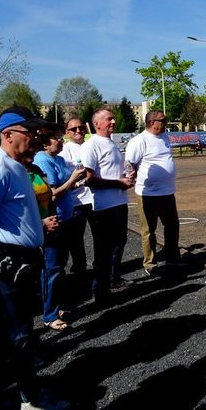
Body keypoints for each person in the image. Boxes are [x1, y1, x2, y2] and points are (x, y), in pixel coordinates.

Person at [0, 106, 69, 410]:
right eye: (30, 132)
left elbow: (13, 217)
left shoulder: (18, 166)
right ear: (8, 135)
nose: (36, 137)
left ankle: (23, 391)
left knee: (24, 330)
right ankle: (25, 398)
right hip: (7, 264)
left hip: (25, 260)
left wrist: (39, 229)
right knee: (16, 335)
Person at [34, 124, 84, 331]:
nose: (61, 141)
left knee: (60, 265)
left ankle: (58, 305)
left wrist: (79, 182)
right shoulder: (41, 160)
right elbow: (52, 193)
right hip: (54, 220)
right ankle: (49, 314)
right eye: (57, 138)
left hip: (68, 218)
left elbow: (67, 186)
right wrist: (72, 180)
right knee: (51, 268)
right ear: (46, 143)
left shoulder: (61, 159)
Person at [81, 108, 135, 302]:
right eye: (108, 119)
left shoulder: (111, 143)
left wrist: (126, 179)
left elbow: (112, 172)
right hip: (103, 207)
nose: (113, 121)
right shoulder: (91, 145)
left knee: (119, 243)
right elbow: (88, 179)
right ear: (97, 124)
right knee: (103, 249)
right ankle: (100, 290)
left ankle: (112, 279)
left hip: (119, 202)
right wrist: (118, 183)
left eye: (113, 118)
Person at [125, 110, 184, 275]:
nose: (166, 123)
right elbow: (130, 163)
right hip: (148, 194)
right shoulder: (139, 141)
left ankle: (172, 257)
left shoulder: (165, 138)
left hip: (167, 192)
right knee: (148, 230)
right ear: (152, 122)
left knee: (172, 226)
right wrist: (131, 175)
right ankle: (150, 263)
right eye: (163, 120)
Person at [58, 118, 92, 290]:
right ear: (67, 133)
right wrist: (78, 182)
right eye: (73, 129)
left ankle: (105, 272)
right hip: (76, 202)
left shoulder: (90, 145)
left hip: (94, 199)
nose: (78, 131)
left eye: (80, 128)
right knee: (76, 241)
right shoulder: (64, 153)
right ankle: (80, 272)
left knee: (101, 238)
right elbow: (63, 181)